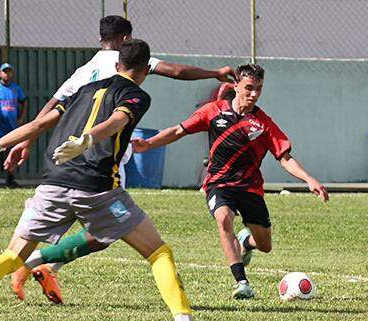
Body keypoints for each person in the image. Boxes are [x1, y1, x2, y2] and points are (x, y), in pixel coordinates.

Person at [0, 39, 221, 321]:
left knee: (11, 256)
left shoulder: (83, 89)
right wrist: (87, 141)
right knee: (158, 252)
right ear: (144, 70)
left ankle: (41, 264)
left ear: (116, 65)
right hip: (98, 192)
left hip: (52, 185)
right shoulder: (136, 94)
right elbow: (117, 121)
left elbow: (38, 124)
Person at [132, 64, 329, 299]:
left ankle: (246, 242)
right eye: (249, 88)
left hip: (250, 188)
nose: (253, 94)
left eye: (258, 89)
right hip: (218, 184)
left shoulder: (263, 123)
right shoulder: (213, 111)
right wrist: (148, 144)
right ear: (235, 85)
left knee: (265, 245)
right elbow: (178, 131)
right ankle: (241, 282)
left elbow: (284, 157)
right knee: (224, 218)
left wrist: (309, 179)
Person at [0, 63, 27, 188]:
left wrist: (21, 118)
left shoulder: (16, 88)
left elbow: (24, 101)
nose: (7, 74)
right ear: (0, 73)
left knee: (12, 153)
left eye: (9, 71)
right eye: (4, 71)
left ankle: (10, 181)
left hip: (13, 127)